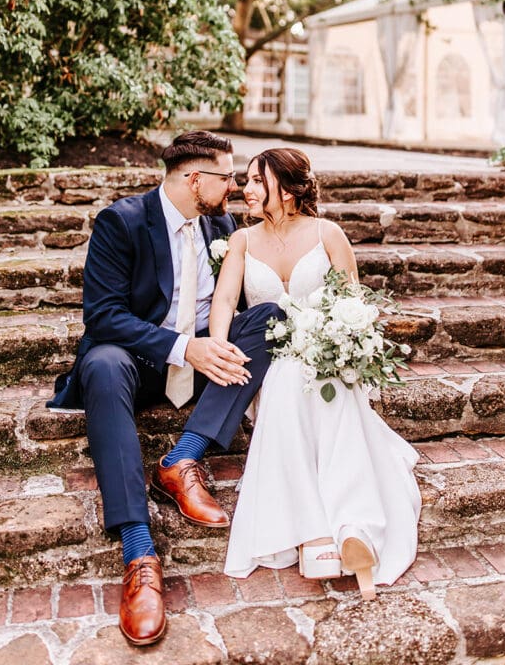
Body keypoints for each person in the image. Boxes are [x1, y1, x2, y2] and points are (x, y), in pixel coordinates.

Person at [47, 131, 283, 646]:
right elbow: (103, 316)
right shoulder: (122, 221)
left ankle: (181, 459)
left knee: (269, 318)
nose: (234, 186)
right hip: (139, 362)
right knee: (102, 364)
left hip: (200, 360)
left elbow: (235, 300)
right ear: (195, 179)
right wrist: (183, 347)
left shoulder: (221, 225)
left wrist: (213, 343)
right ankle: (139, 554)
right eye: (226, 177)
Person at [210, 148, 421, 599]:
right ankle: (324, 527)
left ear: (286, 190)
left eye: (256, 181)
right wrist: (220, 348)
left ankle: (353, 529)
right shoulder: (242, 241)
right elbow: (225, 301)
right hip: (271, 361)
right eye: (246, 181)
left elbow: (354, 302)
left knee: (325, 384)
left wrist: (342, 345)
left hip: (326, 354)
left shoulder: (329, 234)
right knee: (290, 380)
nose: (245, 189)